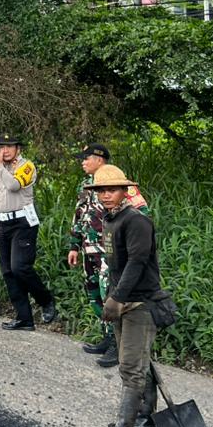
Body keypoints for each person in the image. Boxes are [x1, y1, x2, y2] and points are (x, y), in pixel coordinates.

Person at [88, 165, 164, 427]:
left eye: (112, 190)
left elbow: (137, 262)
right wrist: (114, 296)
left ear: (125, 191)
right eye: (101, 191)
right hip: (122, 299)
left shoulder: (136, 221)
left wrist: (117, 299)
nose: (106, 195)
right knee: (134, 361)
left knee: (132, 366)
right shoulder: (111, 220)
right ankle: (144, 419)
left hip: (140, 301)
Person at [69, 143, 150, 369]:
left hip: (109, 250)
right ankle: (106, 336)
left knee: (110, 295)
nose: (82, 162)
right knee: (94, 293)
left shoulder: (119, 184)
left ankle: (118, 344)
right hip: (89, 248)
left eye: (86, 158)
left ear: (100, 159)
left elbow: (141, 213)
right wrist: (74, 245)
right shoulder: (86, 185)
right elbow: (79, 215)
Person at [0, 133, 56, 331]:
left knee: (20, 267)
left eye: (9, 146)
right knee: (8, 272)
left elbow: (13, 186)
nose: (4, 151)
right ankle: (24, 319)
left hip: (23, 223)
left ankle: (46, 300)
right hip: (2, 224)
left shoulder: (26, 166)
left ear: (18, 149)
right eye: (1, 147)